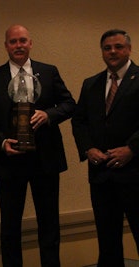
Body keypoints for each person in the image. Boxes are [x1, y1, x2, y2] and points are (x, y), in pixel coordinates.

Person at [0, 24, 75, 267]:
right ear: (6, 46)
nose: (18, 45)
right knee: (10, 228)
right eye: (13, 41)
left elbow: (69, 104)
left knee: (49, 224)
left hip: (46, 160)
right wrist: (1, 142)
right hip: (9, 161)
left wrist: (49, 115)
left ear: (30, 43)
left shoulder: (48, 71)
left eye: (23, 40)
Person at [72, 29, 139, 267]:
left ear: (129, 49)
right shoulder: (92, 84)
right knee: (108, 242)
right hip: (101, 175)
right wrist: (88, 148)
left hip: (135, 173)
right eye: (107, 47)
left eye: (118, 46)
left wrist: (131, 149)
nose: (112, 51)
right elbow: (79, 121)